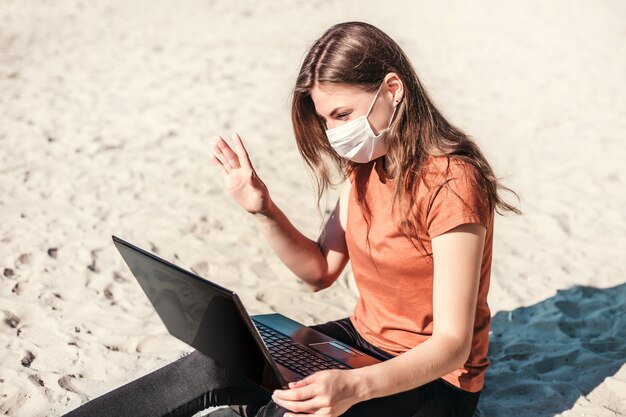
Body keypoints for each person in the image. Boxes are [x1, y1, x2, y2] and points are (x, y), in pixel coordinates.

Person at [63, 21, 519, 417]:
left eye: (343, 114)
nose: (335, 132)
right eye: (326, 120)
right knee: (214, 362)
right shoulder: (364, 166)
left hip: (434, 386)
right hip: (358, 345)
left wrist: (354, 387)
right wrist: (263, 209)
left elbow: (453, 344)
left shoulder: (453, 181)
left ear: (393, 89)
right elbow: (320, 270)